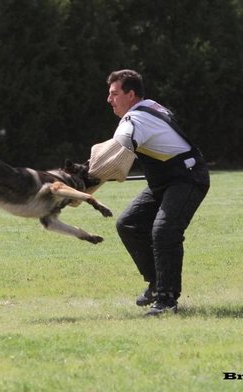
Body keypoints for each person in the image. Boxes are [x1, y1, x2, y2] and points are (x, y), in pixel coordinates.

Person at [93, 69, 210, 316]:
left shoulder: (134, 120)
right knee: (129, 224)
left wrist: (79, 181)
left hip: (187, 178)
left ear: (131, 95)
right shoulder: (152, 107)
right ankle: (156, 283)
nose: (109, 99)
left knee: (165, 230)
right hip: (167, 180)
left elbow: (110, 159)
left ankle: (167, 300)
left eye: (114, 93)